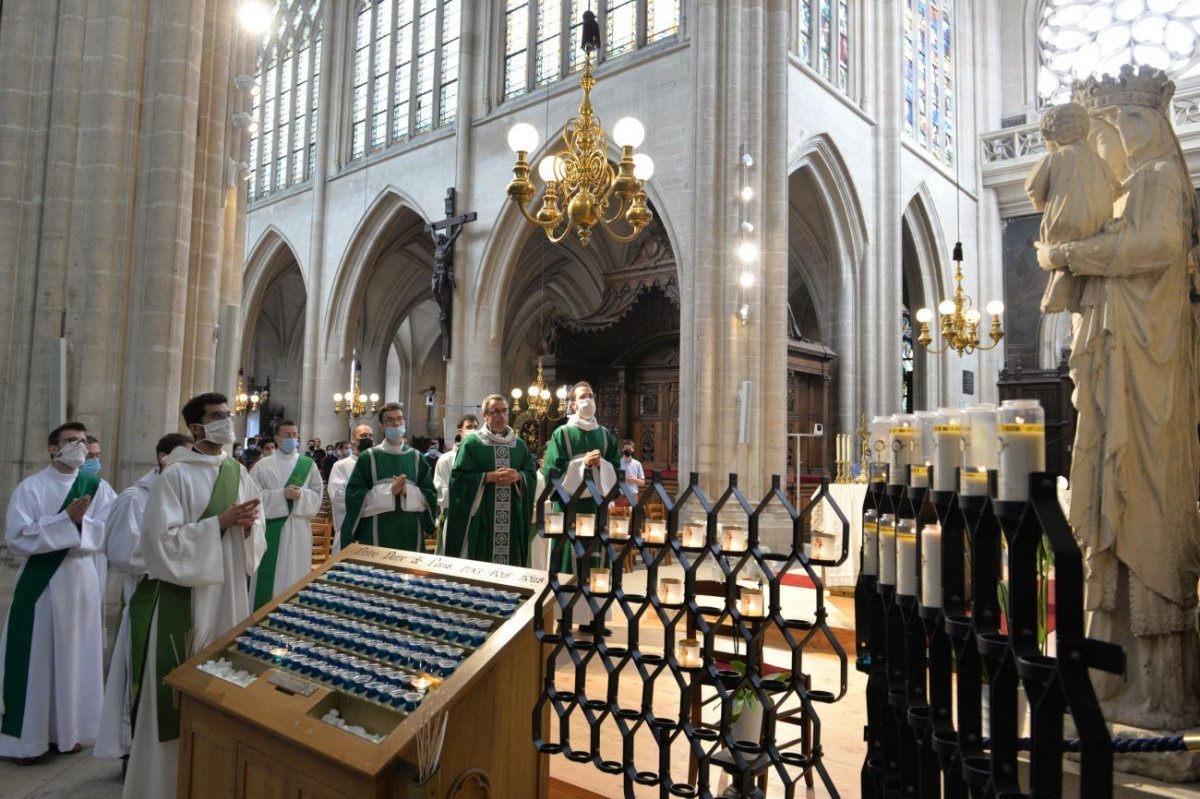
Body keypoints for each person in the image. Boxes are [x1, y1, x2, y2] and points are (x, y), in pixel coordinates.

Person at [1037, 66, 1200, 729]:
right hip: (1114, 366)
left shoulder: (1161, 181)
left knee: (1146, 500)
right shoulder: (1126, 191)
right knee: (1106, 500)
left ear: (1157, 125)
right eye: (1113, 126)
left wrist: (1074, 255)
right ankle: (1108, 679)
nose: (1119, 138)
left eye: (1131, 122)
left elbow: (1155, 246)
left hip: (1149, 375)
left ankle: (1161, 693)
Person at [122, 393, 265, 799]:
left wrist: (251, 528)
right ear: (196, 428)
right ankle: (162, 786)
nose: (227, 421)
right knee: (176, 687)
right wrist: (217, 523)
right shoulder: (175, 476)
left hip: (229, 592)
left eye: (229, 414)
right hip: (186, 597)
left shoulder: (237, 471)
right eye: (217, 416)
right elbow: (158, 544)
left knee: (226, 680)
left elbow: (258, 537)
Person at [0, 422, 117, 763]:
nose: (79, 448)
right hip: (42, 584)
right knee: (37, 657)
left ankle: (70, 732)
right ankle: (27, 741)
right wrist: (65, 520)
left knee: (76, 657)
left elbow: (108, 532)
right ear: (53, 448)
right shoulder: (31, 487)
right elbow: (17, 537)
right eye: (70, 441)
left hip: (81, 581)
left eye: (83, 442)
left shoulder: (97, 487)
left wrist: (77, 524)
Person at [95, 432, 194, 763]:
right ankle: (133, 752)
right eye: (182, 456)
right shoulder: (135, 498)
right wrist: (178, 553)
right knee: (141, 669)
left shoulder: (187, 496)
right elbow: (124, 553)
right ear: (162, 457)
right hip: (147, 595)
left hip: (184, 593)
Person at [1024, 101, 1118, 313]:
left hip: (1064, 225)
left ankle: (1060, 282)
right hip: (1098, 228)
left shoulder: (1055, 159)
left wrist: (1043, 202)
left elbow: (1033, 190)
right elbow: (1116, 189)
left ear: (1057, 136)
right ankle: (1066, 283)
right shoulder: (1101, 163)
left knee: (1059, 251)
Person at [542, 381, 623, 574]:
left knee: (596, 558)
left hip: (597, 505)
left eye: (591, 396)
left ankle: (596, 601)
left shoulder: (605, 435)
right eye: (582, 397)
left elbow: (618, 468)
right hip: (569, 506)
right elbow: (552, 472)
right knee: (568, 559)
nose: (588, 400)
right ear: (573, 405)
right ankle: (565, 601)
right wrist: (582, 464)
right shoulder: (562, 434)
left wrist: (601, 465)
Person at [444, 397, 535, 565]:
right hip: (483, 515)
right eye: (496, 411)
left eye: (504, 411)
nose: (501, 415)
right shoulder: (473, 443)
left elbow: (531, 474)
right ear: (485, 415)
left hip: (512, 519)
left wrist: (519, 477)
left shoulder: (520, 446)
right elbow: (458, 479)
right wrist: (487, 477)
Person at [340, 403, 436, 552]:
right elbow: (354, 495)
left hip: (410, 530)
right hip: (376, 530)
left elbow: (430, 495)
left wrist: (407, 492)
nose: (396, 423)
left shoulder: (417, 458)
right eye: (390, 420)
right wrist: (389, 491)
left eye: (399, 419)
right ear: (382, 426)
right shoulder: (369, 457)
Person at [249, 420, 324, 610]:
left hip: (299, 529)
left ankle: (293, 616)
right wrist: (281, 495)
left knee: (296, 575)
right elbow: (252, 499)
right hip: (271, 529)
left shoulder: (308, 464)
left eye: (295, 435)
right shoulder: (262, 466)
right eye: (287, 435)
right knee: (270, 580)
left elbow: (317, 495)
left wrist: (302, 495)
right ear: (277, 438)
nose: (292, 438)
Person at [328, 424, 374, 553]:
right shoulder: (341, 465)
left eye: (370, 436)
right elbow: (338, 496)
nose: (367, 439)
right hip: (348, 525)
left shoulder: (376, 464)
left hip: (373, 525)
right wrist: (372, 498)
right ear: (353, 439)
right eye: (363, 436)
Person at [433, 415, 480, 518]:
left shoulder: (481, 458)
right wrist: (466, 494)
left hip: (477, 516)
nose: (473, 430)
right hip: (453, 515)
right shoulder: (445, 459)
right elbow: (439, 492)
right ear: (460, 431)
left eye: (475, 427)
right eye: (469, 427)